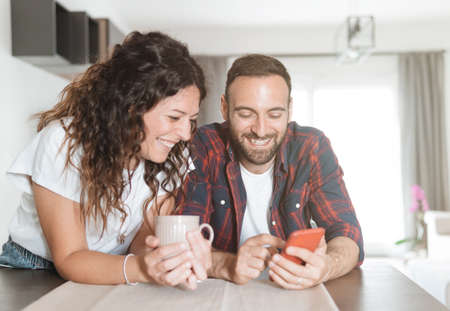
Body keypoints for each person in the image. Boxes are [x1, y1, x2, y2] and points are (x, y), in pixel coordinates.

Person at [0, 31, 211, 289]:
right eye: (174, 117)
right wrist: (143, 267)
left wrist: (167, 259)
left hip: (112, 270)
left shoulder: (171, 156)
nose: (186, 133)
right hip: (35, 271)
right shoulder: (64, 142)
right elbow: (69, 257)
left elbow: (141, 243)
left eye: (191, 120)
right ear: (131, 106)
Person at [176, 54, 364, 290]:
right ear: (224, 108)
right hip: (218, 293)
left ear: (290, 109)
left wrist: (326, 266)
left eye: (274, 114)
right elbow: (184, 240)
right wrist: (226, 264)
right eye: (246, 114)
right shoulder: (203, 146)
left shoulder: (311, 147)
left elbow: (347, 232)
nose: (261, 130)